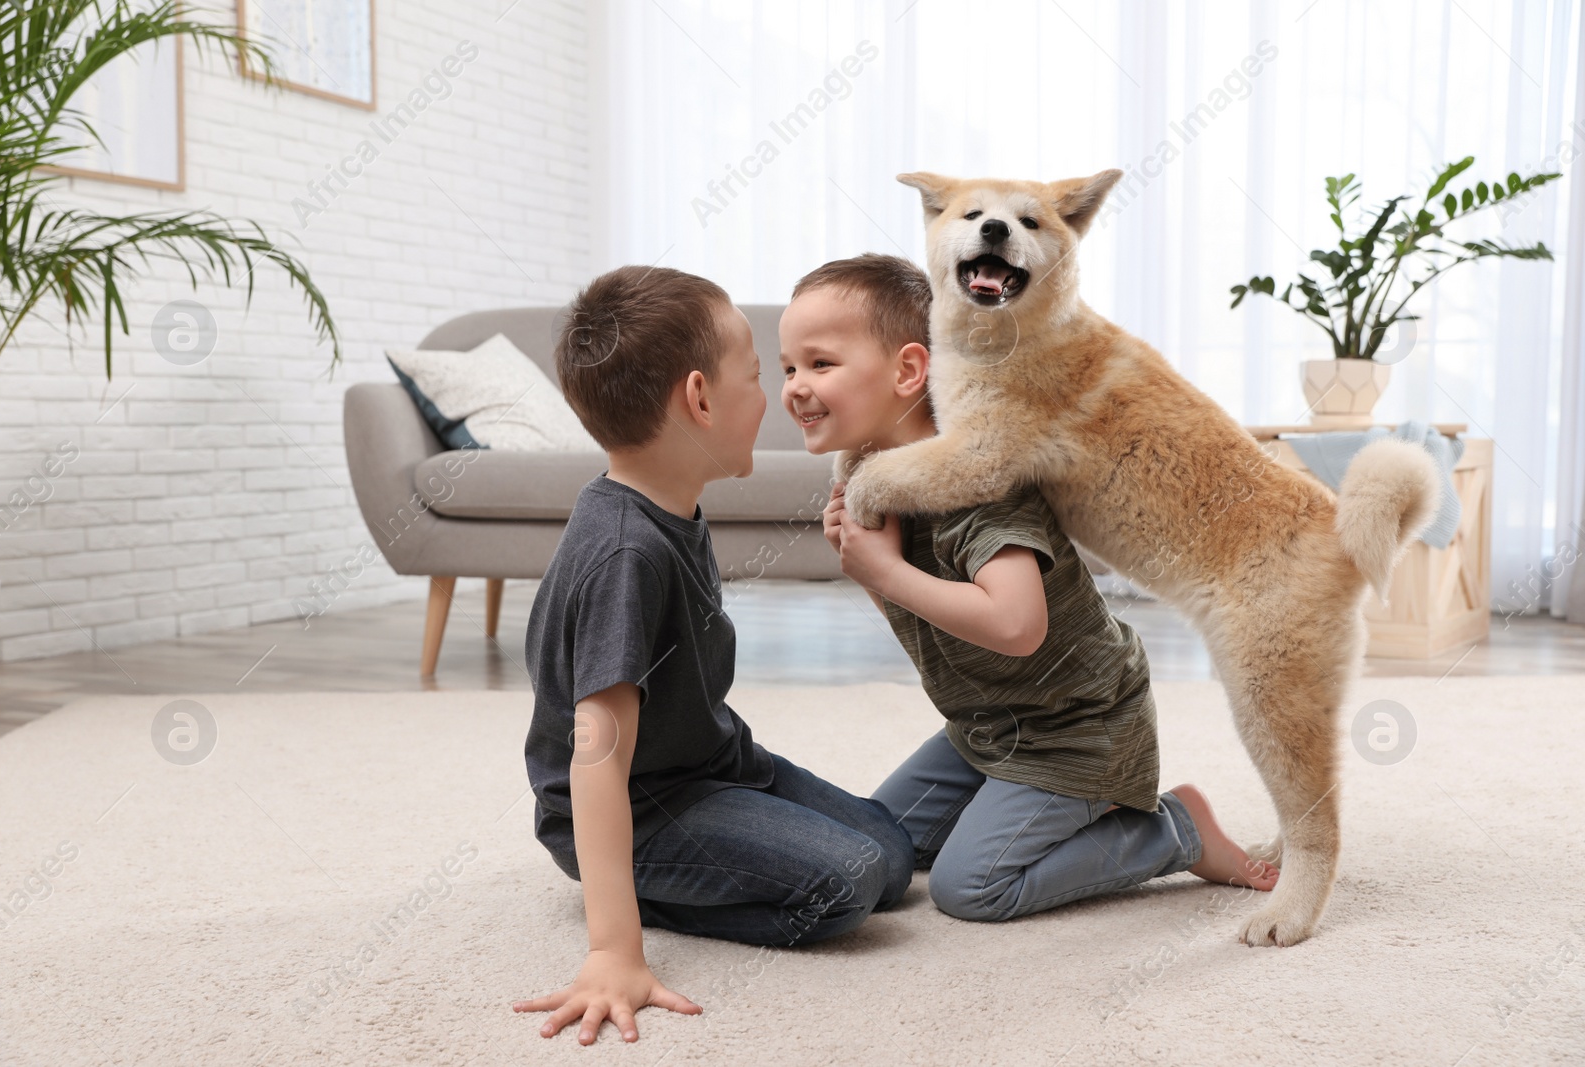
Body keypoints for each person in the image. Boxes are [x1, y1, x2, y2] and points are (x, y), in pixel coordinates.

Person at [778, 252, 1279, 925]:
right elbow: (929, 626)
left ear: (907, 370)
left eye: (819, 364)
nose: (794, 387)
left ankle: (1177, 830)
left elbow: (1018, 624)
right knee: (878, 846)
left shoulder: (977, 480)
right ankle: (1006, 796)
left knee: (969, 887)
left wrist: (885, 570)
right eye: (787, 369)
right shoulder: (874, 479)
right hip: (987, 727)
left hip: (1077, 731)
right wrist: (871, 566)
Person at [515, 265, 914, 1046]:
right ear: (700, 398)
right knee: (850, 882)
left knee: (892, 855)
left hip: (714, 763)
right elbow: (595, 757)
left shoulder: (673, 508)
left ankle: (687, 867)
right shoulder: (626, 552)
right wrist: (613, 947)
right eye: (760, 376)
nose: (776, 396)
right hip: (640, 807)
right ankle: (624, 887)